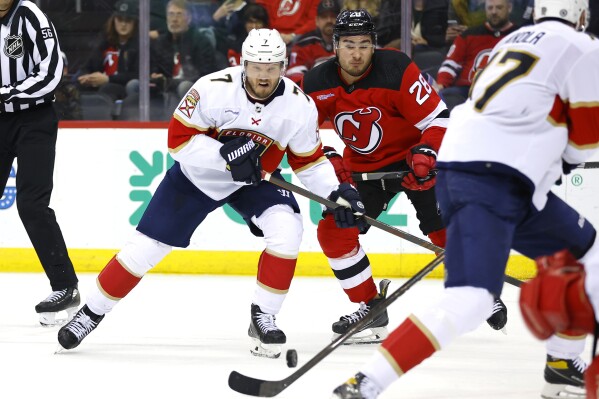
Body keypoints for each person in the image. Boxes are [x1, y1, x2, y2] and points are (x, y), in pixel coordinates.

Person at [332, 1, 599, 398]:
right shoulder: (582, 45)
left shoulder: (513, 41)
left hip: (473, 168)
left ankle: (562, 364)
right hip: (492, 177)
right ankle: (367, 383)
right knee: (470, 300)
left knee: (587, 251)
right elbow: (585, 139)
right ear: (581, 15)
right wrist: (563, 155)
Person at [56, 28, 365, 359]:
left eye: (272, 67)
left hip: (255, 182)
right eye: (257, 67)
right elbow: (178, 141)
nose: (264, 75)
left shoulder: (298, 105)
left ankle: (263, 317)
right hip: (196, 178)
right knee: (143, 250)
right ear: (243, 64)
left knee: (288, 230)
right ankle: (89, 313)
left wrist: (336, 193)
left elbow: (310, 162)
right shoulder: (213, 89)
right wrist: (224, 157)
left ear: (283, 65)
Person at [301, 9, 506, 345]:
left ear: (374, 45)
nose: (357, 53)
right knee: (333, 232)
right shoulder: (316, 82)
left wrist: (426, 155)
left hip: (414, 165)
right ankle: (371, 309)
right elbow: (303, 136)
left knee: (443, 230)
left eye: (364, 44)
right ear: (335, 46)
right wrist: (331, 160)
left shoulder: (396, 68)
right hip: (363, 172)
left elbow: (440, 119)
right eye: (349, 44)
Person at [0, 0, 80, 326]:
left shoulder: (30, 15)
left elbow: (50, 73)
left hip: (35, 121)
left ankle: (65, 286)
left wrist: (5, 92)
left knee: (32, 205)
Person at [437, 0, 518, 110]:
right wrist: (441, 84)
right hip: (467, 90)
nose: (494, 12)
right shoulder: (468, 35)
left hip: (504, 90)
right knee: (448, 96)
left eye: (499, 8)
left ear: (509, 8)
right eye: (490, 8)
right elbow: (450, 64)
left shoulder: (519, 36)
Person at [77, 0, 140, 102]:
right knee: (76, 88)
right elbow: (87, 66)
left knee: (107, 89)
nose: (123, 24)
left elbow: (137, 75)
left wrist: (108, 79)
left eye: (128, 20)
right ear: (114, 20)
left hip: (122, 87)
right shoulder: (104, 42)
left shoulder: (139, 45)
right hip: (100, 84)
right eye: (120, 19)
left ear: (134, 23)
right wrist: (86, 77)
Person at [286, 0, 340, 84]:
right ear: (317, 21)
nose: (329, 20)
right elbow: (294, 76)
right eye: (324, 17)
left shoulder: (349, 42)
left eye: (333, 16)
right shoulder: (304, 44)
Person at [255, 0, 320, 44]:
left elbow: (314, 21)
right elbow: (259, 13)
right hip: (269, 36)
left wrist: (293, 35)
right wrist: (273, 35)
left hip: (299, 38)